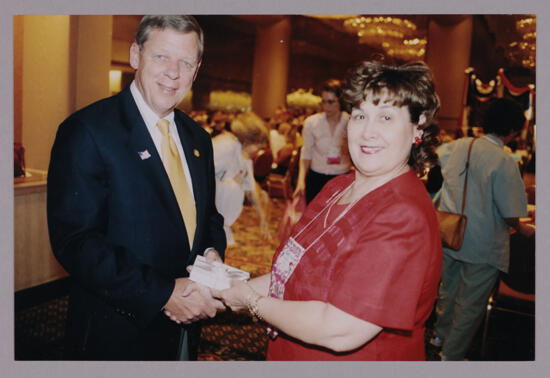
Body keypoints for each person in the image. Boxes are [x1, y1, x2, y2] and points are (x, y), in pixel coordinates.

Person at [213, 61, 442, 360]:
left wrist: (250, 301)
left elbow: (341, 329)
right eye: (360, 115)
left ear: (418, 127)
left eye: (386, 117)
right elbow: (287, 273)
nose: (368, 131)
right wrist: (221, 290)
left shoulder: (403, 214)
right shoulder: (337, 188)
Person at [47, 15, 226, 360]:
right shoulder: (88, 130)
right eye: (161, 57)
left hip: (185, 330)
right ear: (135, 56)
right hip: (117, 332)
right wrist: (160, 294)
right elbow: (75, 240)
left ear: (197, 68)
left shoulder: (198, 137)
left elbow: (208, 219)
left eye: (186, 62)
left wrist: (211, 254)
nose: (173, 72)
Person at [430, 97, 535, 361]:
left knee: (447, 289)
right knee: (470, 303)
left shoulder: (456, 146)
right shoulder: (505, 160)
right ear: (512, 129)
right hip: (483, 241)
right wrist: (523, 229)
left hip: (450, 232)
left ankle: (438, 337)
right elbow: (511, 212)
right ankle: (450, 357)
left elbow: (435, 172)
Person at [212, 112, 272, 245]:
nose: (258, 152)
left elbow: (250, 188)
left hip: (218, 218)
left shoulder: (244, 155)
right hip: (205, 216)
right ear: (248, 140)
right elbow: (198, 177)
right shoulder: (225, 147)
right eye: (258, 146)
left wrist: (263, 219)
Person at [294, 79, 352, 204]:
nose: (326, 106)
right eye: (324, 102)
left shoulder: (350, 122)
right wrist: (300, 181)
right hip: (316, 178)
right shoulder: (311, 122)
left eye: (331, 102)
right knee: (313, 219)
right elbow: (306, 154)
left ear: (340, 101)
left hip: (341, 177)